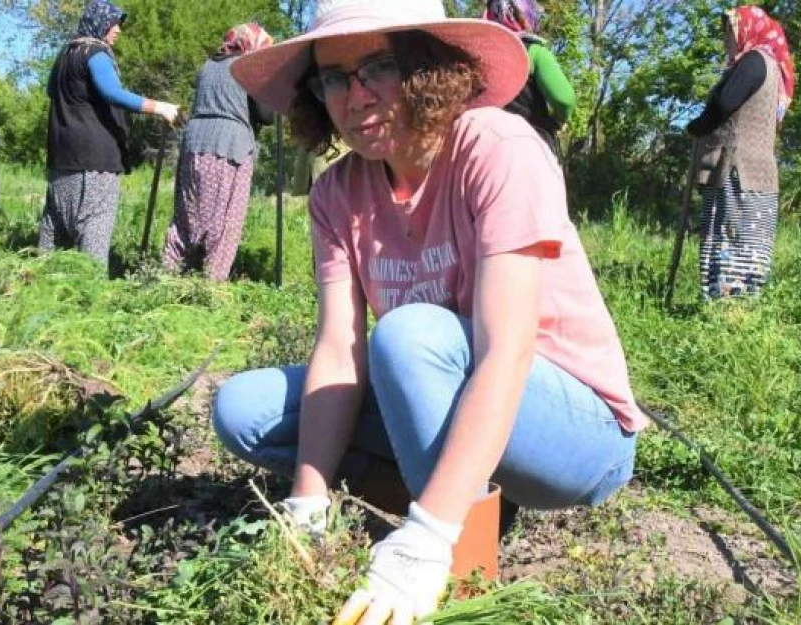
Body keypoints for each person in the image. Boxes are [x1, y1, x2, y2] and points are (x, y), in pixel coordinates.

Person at [214, 0, 649, 622]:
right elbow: (339, 348)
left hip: (573, 429)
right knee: (246, 409)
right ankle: (461, 495)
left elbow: (508, 349)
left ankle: (461, 559)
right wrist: (307, 505)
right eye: (333, 78)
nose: (354, 96)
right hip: (440, 386)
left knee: (410, 334)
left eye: (378, 68)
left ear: (427, 69)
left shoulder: (498, 148)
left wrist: (426, 541)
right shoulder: (337, 193)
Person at [40, 0, 180, 272]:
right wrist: (159, 107)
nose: (117, 30)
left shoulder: (65, 54)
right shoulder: (95, 53)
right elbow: (112, 93)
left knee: (56, 225)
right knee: (94, 225)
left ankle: (42, 281)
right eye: (114, 23)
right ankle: (89, 292)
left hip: (62, 155)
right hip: (95, 159)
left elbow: (50, 92)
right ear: (100, 22)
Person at [686, 5, 795, 299]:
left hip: (737, 172)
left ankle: (726, 309)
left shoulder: (753, 62)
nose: (727, 40)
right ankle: (740, 312)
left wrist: (697, 126)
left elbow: (724, 105)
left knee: (730, 238)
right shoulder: (774, 68)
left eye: (730, 32)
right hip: (759, 175)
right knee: (750, 242)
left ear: (747, 29)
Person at [162, 24, 275, 280]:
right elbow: (266, 116)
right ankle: (211, 286)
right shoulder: (248, 68)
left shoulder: (208, 66)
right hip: (229, 146)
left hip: (194, 142)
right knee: (225, 221)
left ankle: (168, 275)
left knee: (187, 216)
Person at [484, 0, 576, 158]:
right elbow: (564, 100)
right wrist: (558, 121)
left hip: (488, 148)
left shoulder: (480, 55)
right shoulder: (534, 51)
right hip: (532, 146)